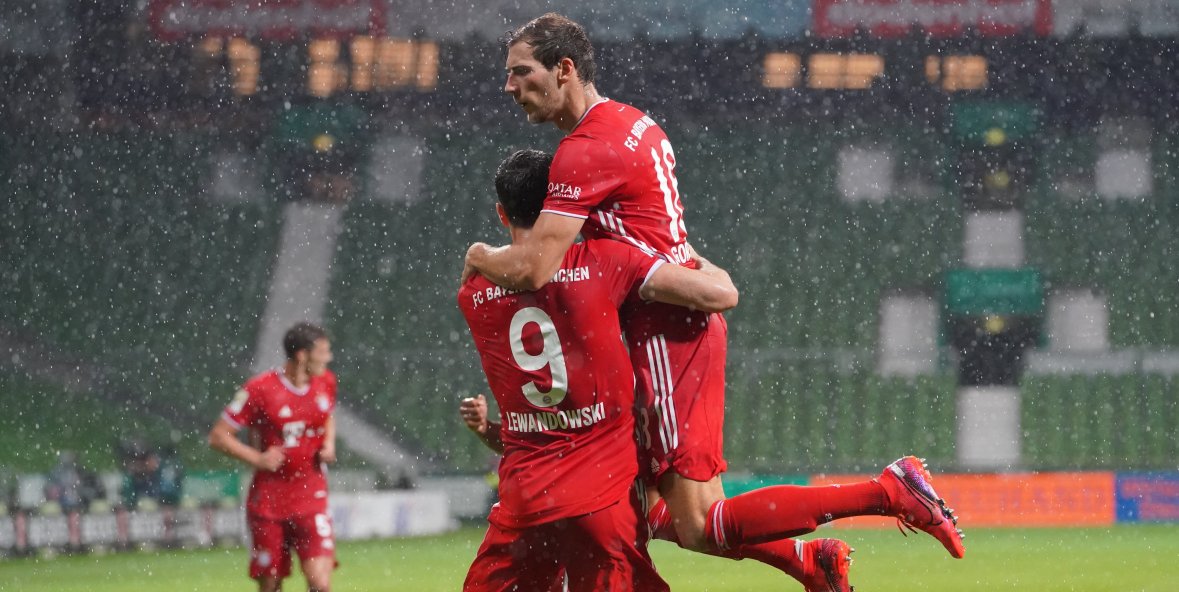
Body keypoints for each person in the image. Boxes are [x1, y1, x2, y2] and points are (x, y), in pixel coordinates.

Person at [463, 24, 966, 587]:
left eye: (520, 71)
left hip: (665, 333)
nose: (509, 86)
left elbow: (535, 267)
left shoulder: (582, 153)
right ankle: (808, 559)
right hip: (675, 315)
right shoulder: (632, 124)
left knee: (701, 522)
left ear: (563, 69)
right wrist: (702, 271)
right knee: (635, 501)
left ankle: (887, 491)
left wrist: (479, 254)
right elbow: (662, 233)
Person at [458, 148, 742, 592]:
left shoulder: (473, 292)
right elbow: (719, 296)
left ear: (501, 213)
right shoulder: (605, 261)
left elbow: (526, 280)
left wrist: (479, 253)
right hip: (602, 498)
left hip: (526, 501)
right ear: (560, 206)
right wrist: (705, 264)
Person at [208, 322, 338, 592]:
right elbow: (218, 436)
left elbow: (327, 415)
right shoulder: (260, 390)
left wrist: (328, 443)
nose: (328, 358)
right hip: (269, 501)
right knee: (271, 586)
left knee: (320, 582)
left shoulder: (326, 382)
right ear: (302, 355)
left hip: (312, 496)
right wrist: (257, 459)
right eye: (322, 352)